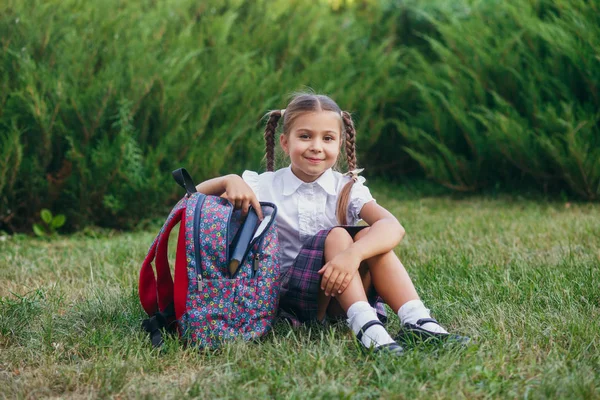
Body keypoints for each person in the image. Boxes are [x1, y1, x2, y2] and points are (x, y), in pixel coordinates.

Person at [195, 93, 467, 355]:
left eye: (327, 138)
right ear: (285, 142)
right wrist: (227, 180)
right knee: (337, 236)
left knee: (373, 237)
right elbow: (191, 201)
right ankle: (367, 328)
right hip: (290, 298)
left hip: (341, 296)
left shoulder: (347, 187)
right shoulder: (261, 185)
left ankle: (417, 321)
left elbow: (393, 226)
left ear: (339, 145)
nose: (316, 146)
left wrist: (353, 256)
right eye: (305, 136)